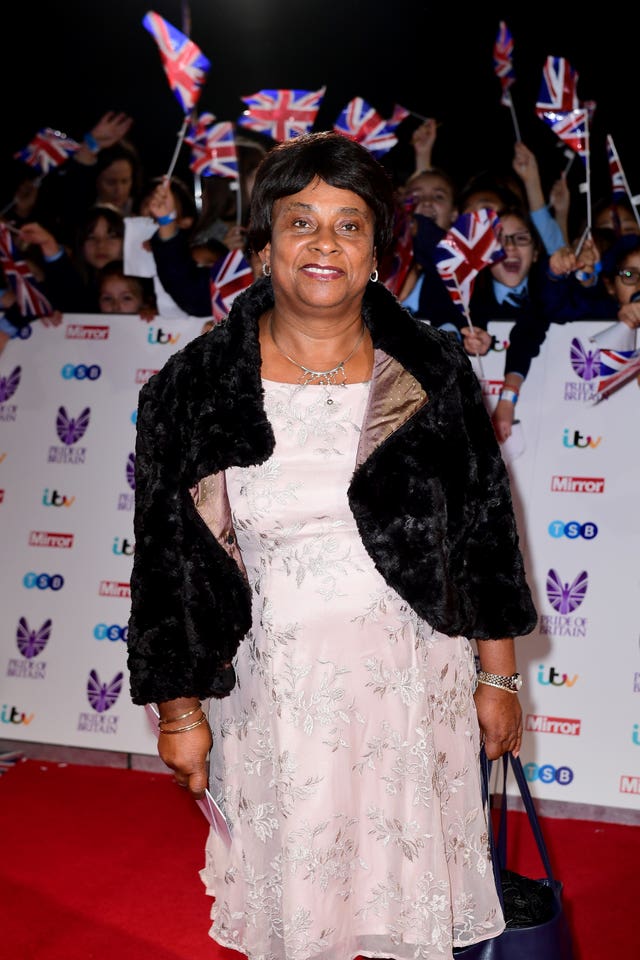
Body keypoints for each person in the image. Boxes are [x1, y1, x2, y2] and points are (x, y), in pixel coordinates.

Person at [127, 131, 537, 960]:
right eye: (301, 222)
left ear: (378, 250)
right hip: (275, 700)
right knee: (298, 914)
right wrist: (178, 711)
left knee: (405, 907)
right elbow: (166, 561)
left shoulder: (433, 369)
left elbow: (482, 535)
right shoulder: (194, 385)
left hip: (416, 690)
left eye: (349, 226)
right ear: (264, 244)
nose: (324, 244)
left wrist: (497, 675)